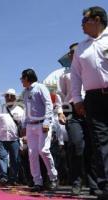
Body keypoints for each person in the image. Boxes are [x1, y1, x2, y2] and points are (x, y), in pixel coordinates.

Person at [71, 6, 108, 199]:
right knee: (100, 142)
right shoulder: (81, 48)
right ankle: (106, 185)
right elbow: (75, 76)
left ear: (97, 20)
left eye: (85, 20)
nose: (82, 24)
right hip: (93, 98)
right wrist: (77, 99)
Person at [59, 43, 99, 195]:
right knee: (76, 145)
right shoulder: (65, 75)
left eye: (75, 51)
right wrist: (61, 112)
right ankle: (76, 181)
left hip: (92, 108)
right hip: (72, 111)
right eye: (70, 53)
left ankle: (94, 183)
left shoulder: (91, 69)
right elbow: (63, 96)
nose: (72, 54)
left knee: (93, 146)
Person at [21, 69, 58, 192]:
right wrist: (24, 125)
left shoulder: (40, 87)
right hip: (30, 126)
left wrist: (47, 121)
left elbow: (48, 104)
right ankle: (37, 181)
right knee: (32, 154)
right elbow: (26, 110)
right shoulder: (25, 93)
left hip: (42, 124)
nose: (21, 80)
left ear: (27, 78)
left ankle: (53, 177)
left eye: (22, 78)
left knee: (44, 150)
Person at [0, 88, 24, 186]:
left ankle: (13, 178)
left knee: (15, 159)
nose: (8, 98)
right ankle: (3, 177)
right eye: (7, 96)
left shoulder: (20, 110)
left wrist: (22, 138)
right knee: (2, 157)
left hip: (15, 139)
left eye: (11, 96)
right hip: (1, 138)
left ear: (15, 98)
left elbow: (24, 125)